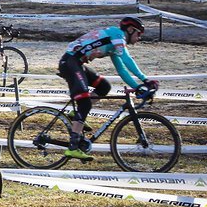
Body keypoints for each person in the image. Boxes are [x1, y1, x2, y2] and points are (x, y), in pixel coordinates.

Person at [58, 17, 157, 161]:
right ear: (130, 30)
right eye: (139, 34)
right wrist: (145, 80)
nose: (139, 38)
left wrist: (137, 87)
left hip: (77, 63)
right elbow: (127, 59)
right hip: (70, 62)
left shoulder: (114, 44)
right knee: (85, 103)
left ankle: (76, 114)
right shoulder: (117, 35)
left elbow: (122, 70)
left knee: (104, 86)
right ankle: (72, 148)